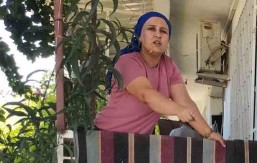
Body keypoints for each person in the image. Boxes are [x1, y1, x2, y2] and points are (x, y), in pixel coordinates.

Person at [95, 12, 225, 147]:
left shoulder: (169, 66)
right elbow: (146, 94)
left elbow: (186, 102)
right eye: (151, 29)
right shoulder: (127, 61)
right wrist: (178, 109)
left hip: (136, 143)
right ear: (140, 36)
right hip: (105, 136)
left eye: (163, 31)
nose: (158, 34)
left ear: (168, 40)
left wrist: (208, 133)